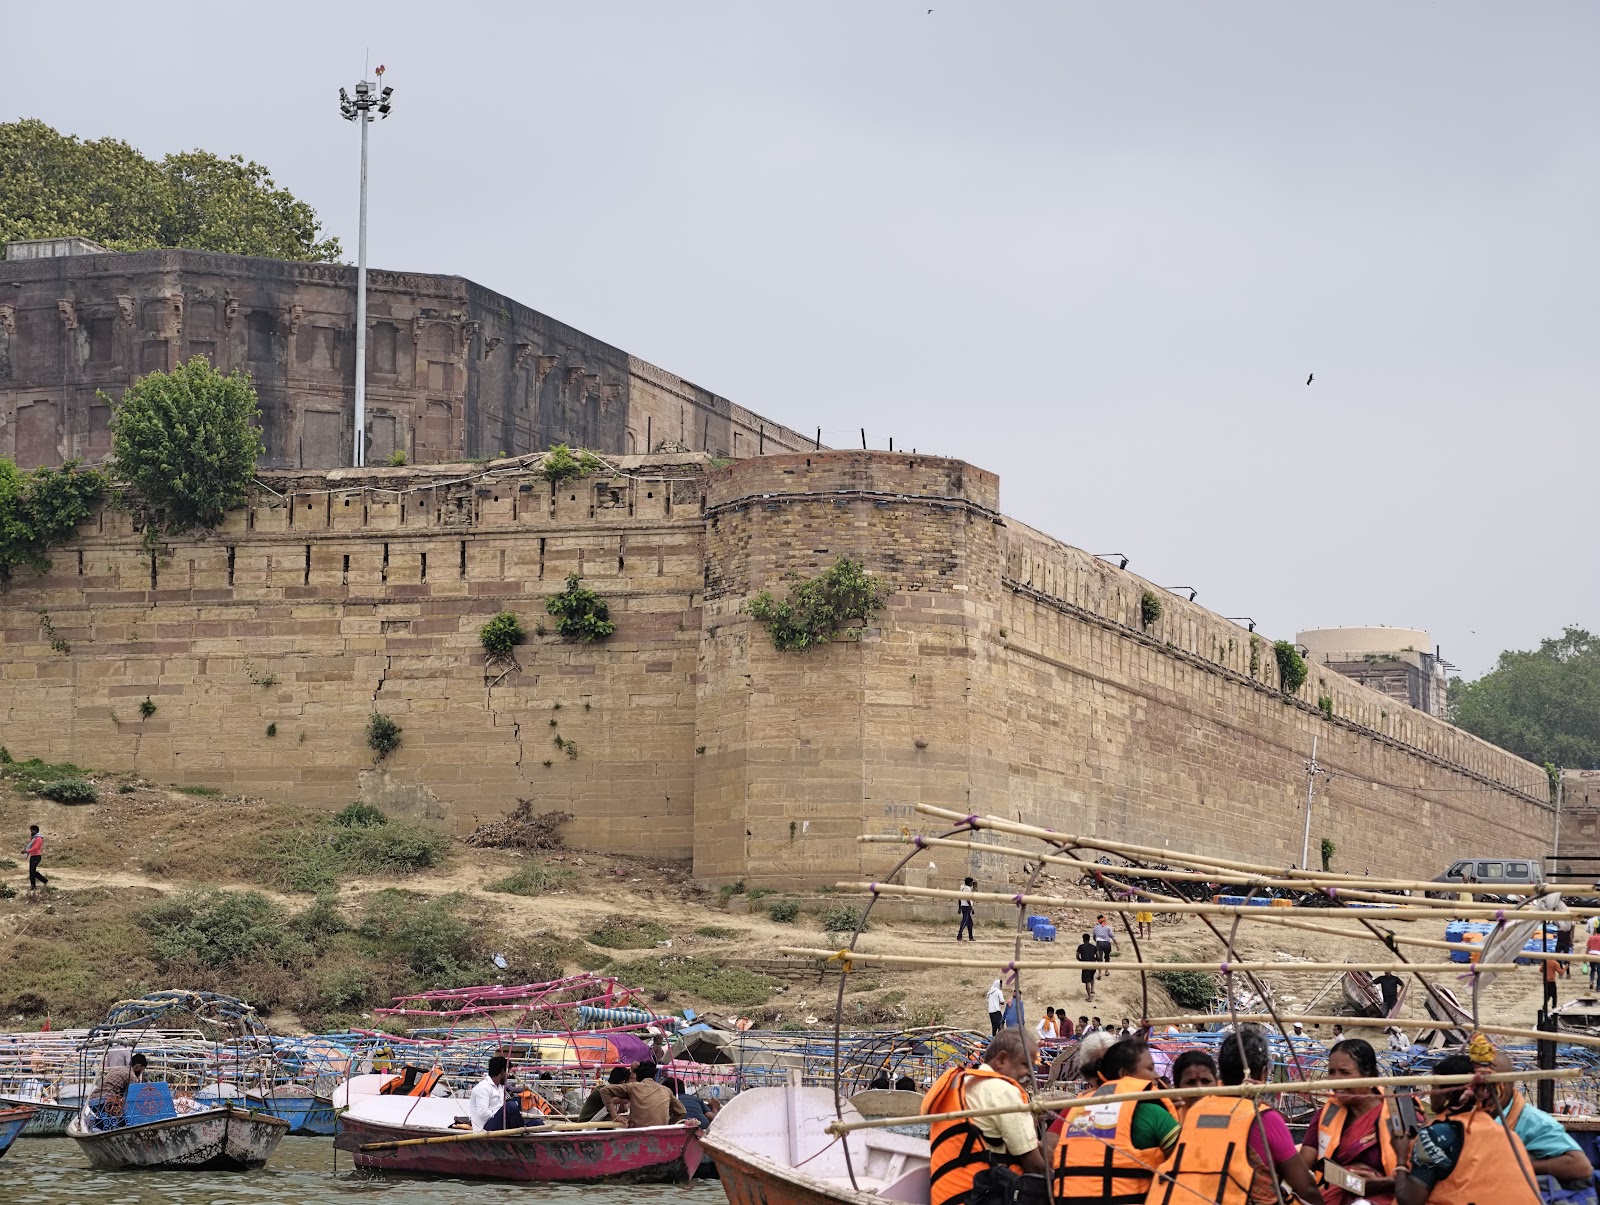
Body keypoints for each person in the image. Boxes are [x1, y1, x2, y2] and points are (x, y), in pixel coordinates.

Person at [1149, 1025, 1322, 1204]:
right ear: (1264, 1073)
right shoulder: (1264, 1118)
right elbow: (1306, 1187)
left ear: (1220, 1073)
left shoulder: (1195, 1111)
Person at [1393, 1051, 1541, 1204]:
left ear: (1447, 1095)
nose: (1430, 1094)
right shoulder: (1508, 1135)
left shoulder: (1437, 1135)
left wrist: (1401, 1159)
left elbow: (1409, 1200)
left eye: (1434, 1087)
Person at [922, 1028, 1047, 1205]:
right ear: (1002, 1059)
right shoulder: (1003, 1091)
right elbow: (1034, 1166)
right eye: (1025, 1065)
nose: (1030, 1074)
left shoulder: (962, 1083)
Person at [1050, 1036, 1179, 1201]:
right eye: (1150, 1068)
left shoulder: (1078, 1109)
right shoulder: (1152, 1113)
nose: (1156, 1075)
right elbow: (1191, 1161)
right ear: (1124, 1074)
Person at [1298, 1038, 1399, 1205]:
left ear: (1369, 1075)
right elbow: (1304, 1163)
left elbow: (1423, 1177)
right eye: (1332, 1072)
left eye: (1345, 1073)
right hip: (1332, 1195)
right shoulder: (1328, 1113)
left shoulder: (1399, 1112)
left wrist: (1379, 1184)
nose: (1336, 1080)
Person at [1489, 1049, 1593, 1183]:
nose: (1485, 1092)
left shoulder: (1534, 1122)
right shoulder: (1466, 1112)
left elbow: (1581, 1166)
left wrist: (1516, 1165)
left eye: (1494, 1086)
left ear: (1510, 1083)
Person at [599, 1060, 687, 1129]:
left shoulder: (632, 1087)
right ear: (654, 1076)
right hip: (660, 1134)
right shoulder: (666, 1090)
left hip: (636, 1134)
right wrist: (668, 1124)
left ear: (637, 1077)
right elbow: (681, 1111)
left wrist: (615, 1116)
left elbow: (604, 1091)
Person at [470, 1055, 532, 1131]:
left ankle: (524, 1132)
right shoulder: (483, 1088)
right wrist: (501, 1112)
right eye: (508, 1071)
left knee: (535, 1122)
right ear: (503, 1072)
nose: (509, 1074)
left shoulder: (500, 1087)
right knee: (510, 1106)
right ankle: (521, 1133)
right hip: (484, 1127)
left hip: (499, 1123)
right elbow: (483, 1113)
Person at [92, 1052, 146, 1126]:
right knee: (125, 1121)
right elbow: (132, 1097)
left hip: (93, 1100)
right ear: (138, 1067)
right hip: (106, 1102)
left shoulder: (118, 1069)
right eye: (141, 1070)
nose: (140, 1073)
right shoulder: (132, 1076)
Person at [1170, 1049, 1217, 1119]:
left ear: (1217, 1084)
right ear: (1177, 1087)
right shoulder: (1169, 1120)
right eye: (1191, 1082)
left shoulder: (1231, 1112)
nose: (1200, 1089)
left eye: (1205, 1081)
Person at [20, 825, 47, 891]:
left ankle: (44, 881)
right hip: (33, 856)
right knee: (31, 871)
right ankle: (33, 885)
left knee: (32, 871)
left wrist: (27, 851)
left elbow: (36, 847)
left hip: (37, 856)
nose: (31, 832)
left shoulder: (39, 838)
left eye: (31, 831)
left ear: (35, 831)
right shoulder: (33, 838)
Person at [1076, 933, 1098, 1002]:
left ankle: (1089, 997)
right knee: (1092, 977)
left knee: (1087, 981)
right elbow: (1098, 956)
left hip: (1085, 964)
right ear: (1089, 939)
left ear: (1083, 939)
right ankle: (1092, 989)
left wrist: (1081, 960)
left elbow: (1077, 956)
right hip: (1093, 964)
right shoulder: (1094, 947)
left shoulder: (1081, 947)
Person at [957, 876, 976, 942]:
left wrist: (959, 907)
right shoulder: (967, 888)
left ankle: (971, 937)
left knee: (970, 923)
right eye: (971, 882)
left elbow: (959, 898)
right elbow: (968, 899)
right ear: (970, 883)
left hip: (963, 906)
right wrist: (971, 908)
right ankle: (959, 936)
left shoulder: (962, 888)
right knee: (964, 922)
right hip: (967, 906)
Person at [1587, 926, 1600, 991]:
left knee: (1592, 969)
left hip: (1591, 954)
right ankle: (1598, 987)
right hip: (1598, 955)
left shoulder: (1591, 937)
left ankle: (1591, 981)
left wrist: (1585, 956)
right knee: (1599, 972)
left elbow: (1588, 948)